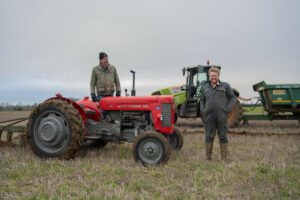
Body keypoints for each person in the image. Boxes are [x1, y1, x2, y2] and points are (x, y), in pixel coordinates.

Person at [200, 67, 236, 161]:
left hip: (221, 116)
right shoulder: (205, 87)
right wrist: (203, 110)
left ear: (218, 76)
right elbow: (202, 100)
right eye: (212, 76)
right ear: (209, 76)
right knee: (209, 136)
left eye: (215, 75)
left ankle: (224, 159)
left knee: (223, 136)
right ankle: (208, 158)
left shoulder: (225, 86)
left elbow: (233, 98)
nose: (213, 77)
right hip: (209, 117)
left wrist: (228, 109)